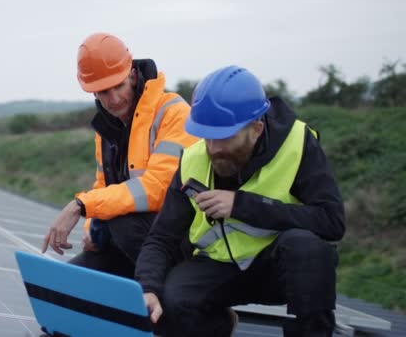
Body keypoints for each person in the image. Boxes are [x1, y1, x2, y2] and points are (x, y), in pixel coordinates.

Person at [135, 65, 346, 336]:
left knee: (308, 249)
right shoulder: (193, 158)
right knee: (172, 300)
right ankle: (219, 326)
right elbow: (161, 237)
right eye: (207, 137)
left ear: (257, 128)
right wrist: (148, 288)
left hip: (278, 270)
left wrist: (241, 205)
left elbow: (331, 221)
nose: (214, 149)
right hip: (218, 269)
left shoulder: (297, 144)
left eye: (225, 138)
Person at [41, 33, 197, 278]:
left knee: (122, 222)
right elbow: (103, 185)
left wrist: (81, 206)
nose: (114, 100)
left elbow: (158, 189)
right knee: (67, 283)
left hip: (178, 242)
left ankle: (180, 298)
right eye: (103, 92)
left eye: (119, 86)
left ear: (133, 76)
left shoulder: (174, 113)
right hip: (131, 239)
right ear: (92, 93)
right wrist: (91, 226)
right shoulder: (106, 130)